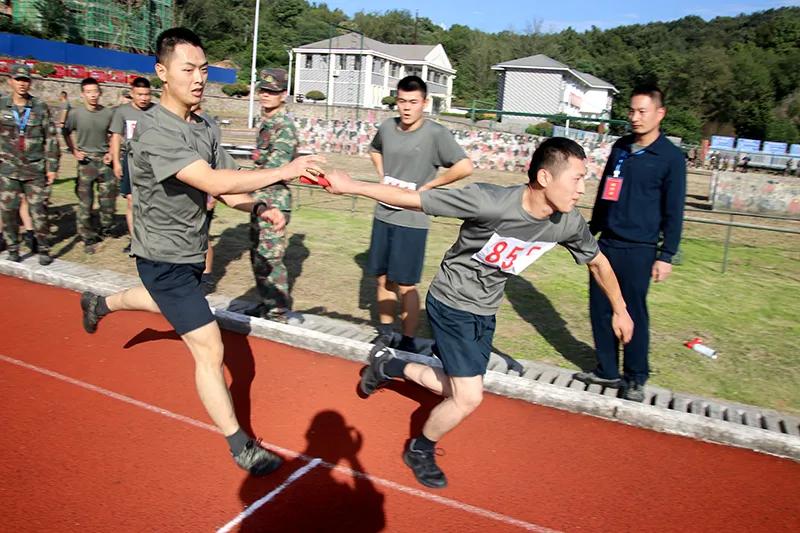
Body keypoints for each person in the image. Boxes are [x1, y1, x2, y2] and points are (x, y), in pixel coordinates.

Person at [78, 27, 322, 475]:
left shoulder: (206, 125)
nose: (198, 77)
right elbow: (211, 183)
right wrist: (285, 170)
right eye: (187, 69)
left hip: (190, 253)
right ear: (162, 73)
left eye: (203, 69)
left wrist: (261, 206)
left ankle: (100, 302)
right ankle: (239, 445)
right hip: (160, 255)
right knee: (209, 347)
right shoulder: (153, 131)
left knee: (156, 304)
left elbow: (230, 190)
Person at [323, 137, 634, 488]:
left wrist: (620, 310)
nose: (582, 189)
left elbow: (597, 263)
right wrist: (350, 186)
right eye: (577, 178)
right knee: (468, 396)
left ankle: (389, 365)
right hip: (452, 299)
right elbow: (415, 200)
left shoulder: (568, 223)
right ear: (546, 178)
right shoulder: (488, 201)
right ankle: (419, 449)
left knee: (453, 385)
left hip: (485, 308)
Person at [576, 84, 686, 402]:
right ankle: (607, 369)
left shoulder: (670, 158)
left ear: (659, 114)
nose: (635, 118)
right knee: (600, 308)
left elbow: (674, 209)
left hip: (640, 248)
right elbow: (605, 194)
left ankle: (636, 376)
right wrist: (590, 231)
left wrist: (666, 254)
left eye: (642, 111)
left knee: (632, 313)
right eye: (631, 111)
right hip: (607, 243)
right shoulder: (621, 148)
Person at [367, 75, 472, 352]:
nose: (406, 108)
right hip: (383, 214)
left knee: (406, 284)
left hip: (412, 220)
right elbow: (374, 149)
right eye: (402, 101)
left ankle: (409, 339)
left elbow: (464, 166)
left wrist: (431, 186)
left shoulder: (436, 134)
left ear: (424, 103)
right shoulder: (388, 127)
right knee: (382, 279)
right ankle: (386, 332)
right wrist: (381, 174)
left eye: (413, 102)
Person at [249, 67, 299, 321]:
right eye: (263, 90)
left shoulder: (285, 126)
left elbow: (276, 167)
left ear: (283, 94)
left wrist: (243, 178)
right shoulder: (266, 121)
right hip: (259, 198)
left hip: (275, 200)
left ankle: (278, 310)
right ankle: (265, 303)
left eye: (272, 91)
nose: (265, 95)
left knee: (271, 258)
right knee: (257, 257)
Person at [0, 63, 60, 264]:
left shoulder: (40, 107)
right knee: (8, 211)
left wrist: (52, 168)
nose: (22, 84)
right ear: (11, 81)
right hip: (7, 169)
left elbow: (50, 138)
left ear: (30, 82)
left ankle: (43, 248)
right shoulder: (1, 105)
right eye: (18, 79)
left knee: (38, 211)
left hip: (35, 169)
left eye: (25, 80)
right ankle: (13, 248)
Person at [62, 77, 116, 254]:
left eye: (96, 91)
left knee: (108, 202)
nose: (93, 95)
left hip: (104, 162)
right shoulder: (76, 114)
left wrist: (111, 153)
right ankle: (87, 237)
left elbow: (114, 135)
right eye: (89, 92)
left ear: (100, 93)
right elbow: (66, 131)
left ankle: (105, 228)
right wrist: (74, 150)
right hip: (85, 163)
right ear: (83, 94)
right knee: (86, 203)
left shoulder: (108, 113)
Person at [110, 77, 155, 255]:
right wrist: (116, 162)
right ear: (132, 93)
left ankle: (150, 240)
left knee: (151, 203)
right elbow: (115, 137)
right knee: (131, 201)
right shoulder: (122, 112)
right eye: (140, 94)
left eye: (147, 94)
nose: (144, 98)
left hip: (151, 163)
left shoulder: (157, 111)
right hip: (130, 161)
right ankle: (135, 240)